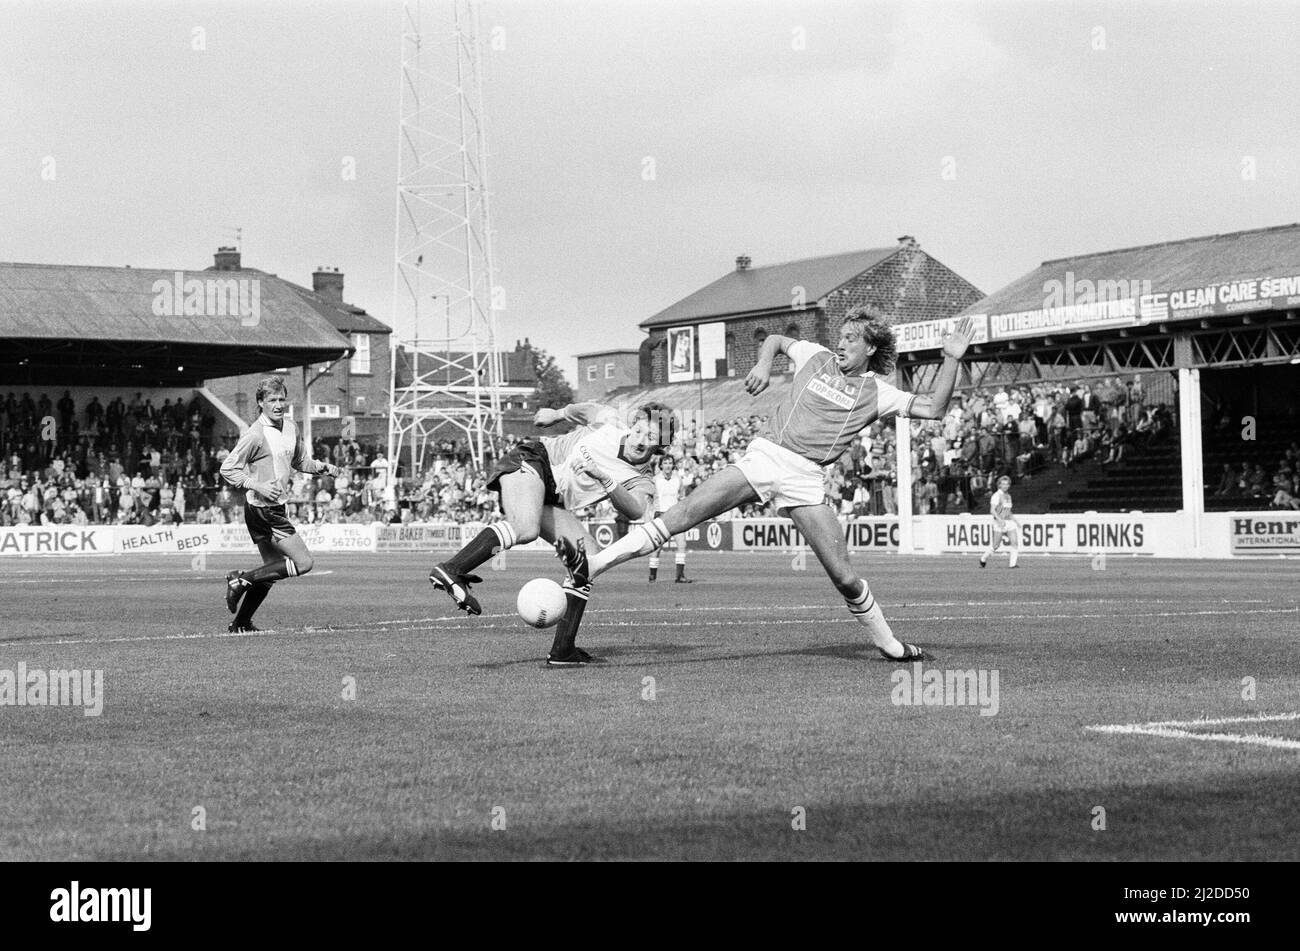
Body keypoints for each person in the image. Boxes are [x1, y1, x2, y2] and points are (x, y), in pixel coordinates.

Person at [553, 306, 978, 664]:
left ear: (870, 347)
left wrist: (952, 359)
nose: (843, 342)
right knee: (680, 516)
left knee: (845, 577)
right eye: (842, 335)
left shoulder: (877, 392)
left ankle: (889, 644)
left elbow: (934, 408)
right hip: (765, 457)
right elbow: (775, 338)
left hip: (806, 478)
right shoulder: (815, 355)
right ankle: (592, 566)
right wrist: (761, 363)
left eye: (853, 338)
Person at [427, 399, 674, 666]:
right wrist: (557, 414)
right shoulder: (610, 422)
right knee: (526, 528)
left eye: (650, 437)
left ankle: (563, 650)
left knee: (587, 561)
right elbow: (587, 409)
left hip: (551, 497)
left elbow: (636, 510)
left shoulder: (642, 479)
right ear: (632, 424)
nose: (640, 440)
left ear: (661, 445)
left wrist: (604, 478)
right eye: (639, 430)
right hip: (534, 460)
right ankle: (452, 569)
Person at [218, 378, 342, 633]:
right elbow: (227, 469)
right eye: (272, 400)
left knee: (271, 571)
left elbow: (300, 461)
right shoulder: (255, 434)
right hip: (264, 509)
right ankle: (240, 581)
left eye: (281, 399)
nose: (278, 405)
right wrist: (257, 485)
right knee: (304, 563)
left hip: (269, 508)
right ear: (260, 403)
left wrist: (323, 468)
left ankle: (240, 622)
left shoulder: (290, 427)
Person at [648, 455, 693, 583]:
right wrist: (650, 515)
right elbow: (649, 499)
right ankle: (652, 577)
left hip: (676, 515)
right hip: (660, 515)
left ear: (673, 465)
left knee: (682, 544)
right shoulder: (655, 480)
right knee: (657, 548)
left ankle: (680, 576)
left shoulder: (678, 479)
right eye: (665, 463)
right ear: (661, 465)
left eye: (670, 463)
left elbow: (682, 497)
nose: (668, 465)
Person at [979, 475, 1020, 569]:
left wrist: (1016, 521)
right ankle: (983, 558)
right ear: (999, 485)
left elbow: (1008, 511)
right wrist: (1000, 520)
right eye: (1003, 484)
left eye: (1007, 484)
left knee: (1014, 543)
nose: (1005, 486)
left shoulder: (1008, 496)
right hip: (998, 522)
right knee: (996, 545)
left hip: (1009, 522)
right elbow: (992, 510)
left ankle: (1012, 564)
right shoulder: (996, 496)